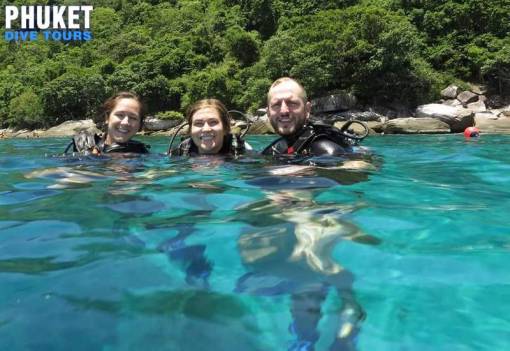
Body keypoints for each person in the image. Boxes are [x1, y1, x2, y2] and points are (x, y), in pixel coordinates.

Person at [262, 77, 367, 158]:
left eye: (292, 103)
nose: (284, 111)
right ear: (268, 113)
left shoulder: (325, 149)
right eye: (276, 104)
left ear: (307, 110)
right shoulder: (279, 147)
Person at [65, 91, 149, 155]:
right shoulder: (86, 145)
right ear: (107, 118)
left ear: (139, 124)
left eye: (133, 118)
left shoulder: (142, 154)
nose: (125, 122)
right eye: (120, 115)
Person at [171, 98, 250, 157]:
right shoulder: (178, 153)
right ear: (190, 131)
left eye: (213, 122)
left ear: (225, 128)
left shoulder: (244, 153)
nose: (206, 129)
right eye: (198, 123)